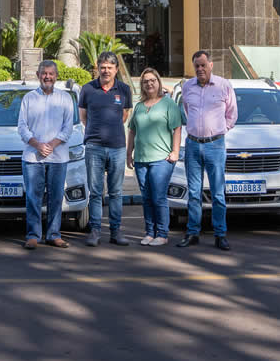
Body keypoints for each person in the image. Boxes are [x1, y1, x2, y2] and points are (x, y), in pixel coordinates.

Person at [176, 50, 237, 251]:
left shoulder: (223, 85)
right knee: (193, 193)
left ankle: (220, 234)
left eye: (203, 65)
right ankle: (193, 233)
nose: (200, 69)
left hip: (215, 145)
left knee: (218, 193)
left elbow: (232, 114)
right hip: (193, 145)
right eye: (197, 66)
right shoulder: (187, 87)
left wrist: (219, 132)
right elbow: (186, 110)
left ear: (211, 64)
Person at [17, 59, 76, 250]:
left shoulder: (65, 98)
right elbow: (22, 127)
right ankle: (33, 235)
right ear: (38, 75)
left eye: (51, 73)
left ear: (56, 76)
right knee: (33, 197)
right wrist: (37, 144)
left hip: (58, 158)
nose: (47, 77)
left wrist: (51, 144)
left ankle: (53, 235)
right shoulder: (28, 99)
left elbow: (68, 128)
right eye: (44, 73)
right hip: (33, 157)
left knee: (56, 197)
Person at [79, 51, 133, 247]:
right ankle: (95, 231)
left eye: (110, 67)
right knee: (95, 192)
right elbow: (83, 116)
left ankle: (116, 231)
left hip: (117, 147)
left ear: (116, 69)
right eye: (103, 67)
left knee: (116, 192)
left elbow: (125, 115)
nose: (106, 70)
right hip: (94, 147)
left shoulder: (124, 90)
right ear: (98, 68)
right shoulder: (87, 89)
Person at [126, 68, 184, 247]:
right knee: (147, 197)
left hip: (162, 159)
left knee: (158, 196)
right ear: (142, 85)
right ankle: (150, 233)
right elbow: (132, 130)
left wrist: (175, 152)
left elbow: (177, 128)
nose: (149, 83)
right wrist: (129, 153)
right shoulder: (139, 106)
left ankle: (163, 233)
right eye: (145, 81)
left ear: (158, 82)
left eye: (153, 80)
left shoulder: (168, 104)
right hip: (142, 159)